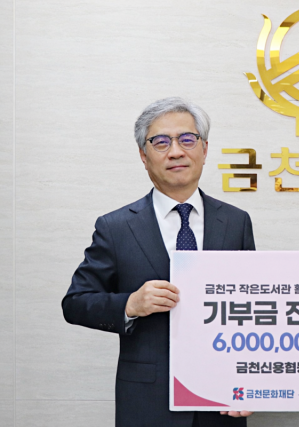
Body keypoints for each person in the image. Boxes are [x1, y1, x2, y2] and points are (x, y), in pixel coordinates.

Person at [62, 97, 255, 427]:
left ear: (204, 149)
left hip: (221, 401)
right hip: (147, 404)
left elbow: (251, 309)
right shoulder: (116, 227)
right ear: (144, 156)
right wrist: (131, 304)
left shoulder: (236, 221)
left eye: (187, 139)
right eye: (161, 142)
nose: (176, 151)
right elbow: (75, 303)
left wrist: (250, 382)